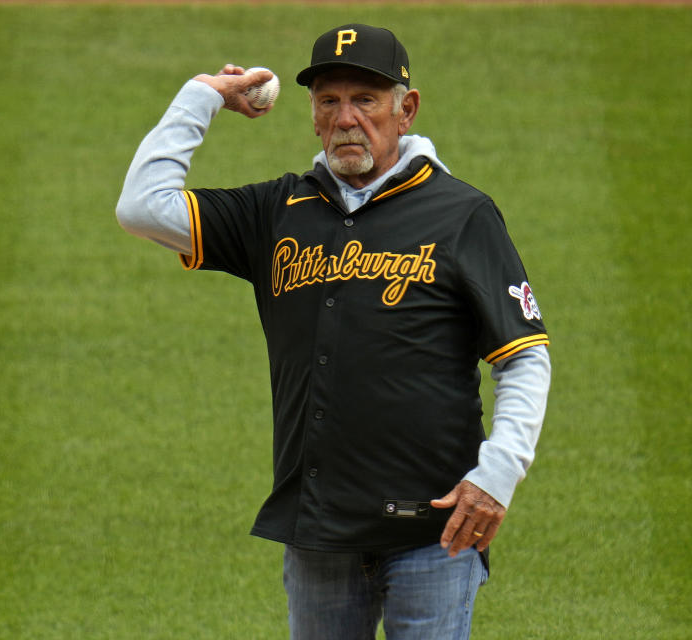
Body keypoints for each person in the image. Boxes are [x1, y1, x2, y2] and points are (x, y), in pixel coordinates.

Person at [116, 23, 551, 640]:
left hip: (433, 532)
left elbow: (524, 356)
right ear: (313, 117)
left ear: (407, 109)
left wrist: (497, 475)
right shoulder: (275, 212)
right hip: (320, 534)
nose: (347, 118)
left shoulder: (461, 214)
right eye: (329, 101)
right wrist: (202, 94)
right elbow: (141, 208)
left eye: (365, 100)